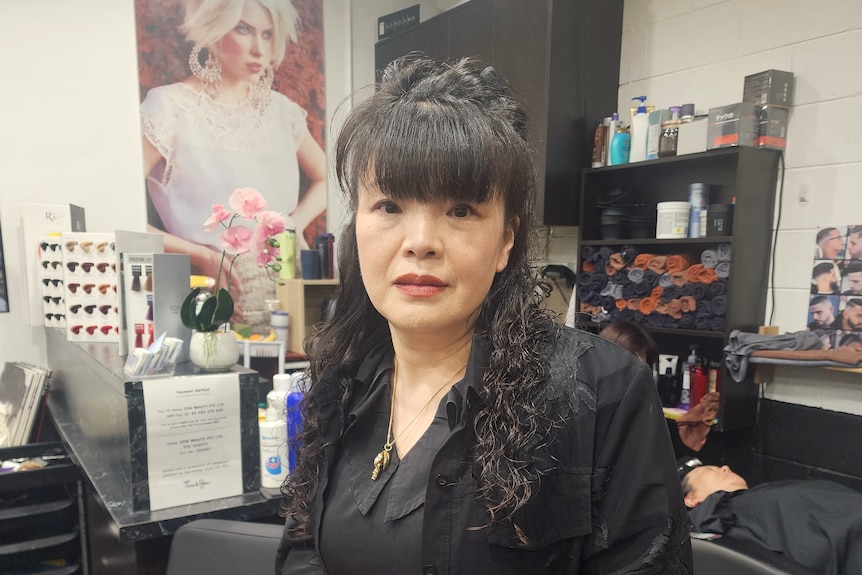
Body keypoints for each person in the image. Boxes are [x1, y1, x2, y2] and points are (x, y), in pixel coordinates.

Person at [275, 56, 692, 574]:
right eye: (389, 206)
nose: (421, 242)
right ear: (357, 226)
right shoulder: (340, 381)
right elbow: (302, 547)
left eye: (460, 210)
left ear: (506, 241)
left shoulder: (602, 393)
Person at [140, 0, 327, 325]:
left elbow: (328, 179)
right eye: (244, 29)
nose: (259, 49)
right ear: (212, 31)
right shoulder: (169, 108)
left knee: (299, 358)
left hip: (292, 289)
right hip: (214, 292)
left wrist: (292, 225)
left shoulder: (282, 112)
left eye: (267, 34)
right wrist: (200, 255)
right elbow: (119, 212)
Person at [679, 457, 862, 575]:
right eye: (709, 470)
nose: (725, 467)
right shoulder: (715, 520)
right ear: (691, 498)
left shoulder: (763, 495)